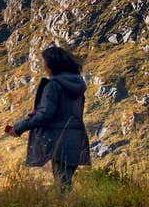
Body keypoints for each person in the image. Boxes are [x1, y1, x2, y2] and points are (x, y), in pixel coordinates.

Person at [6, 46, 91, 190]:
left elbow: (45, 115)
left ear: (52, 64)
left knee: (62, 187)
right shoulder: (77, 85)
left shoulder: (53, 85)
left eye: (44, 61)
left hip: (59, 140)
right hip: (77, 138)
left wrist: (19, 127)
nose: (43, 65)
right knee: (66, 182)